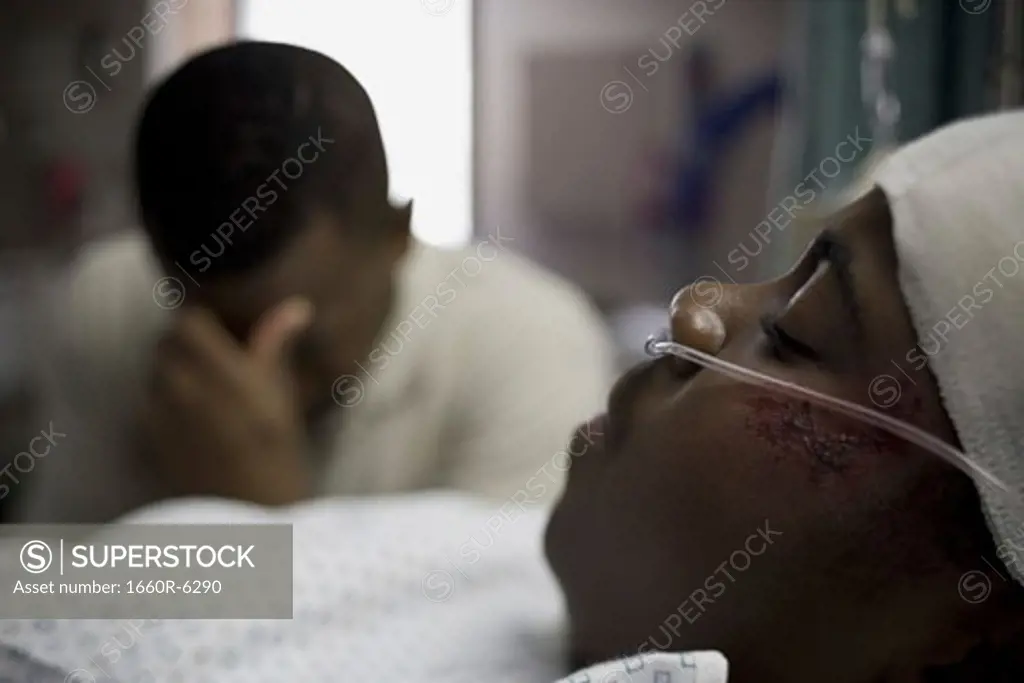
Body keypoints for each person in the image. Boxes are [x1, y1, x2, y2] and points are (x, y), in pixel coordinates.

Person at [3, 112, 1023, 683]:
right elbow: (42, 575)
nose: (700, 302)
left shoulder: (517, 339)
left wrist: (267, 512)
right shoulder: (485, 550)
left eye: (799, 328)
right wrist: (235, 541)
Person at [10, 41, 616, 523]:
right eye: (219, 332)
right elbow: (56, 587)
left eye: (300, 339)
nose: (254, 383)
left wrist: (263, 520)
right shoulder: (107, 304)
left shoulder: (531, 347)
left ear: (396, 236)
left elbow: (490, 658)